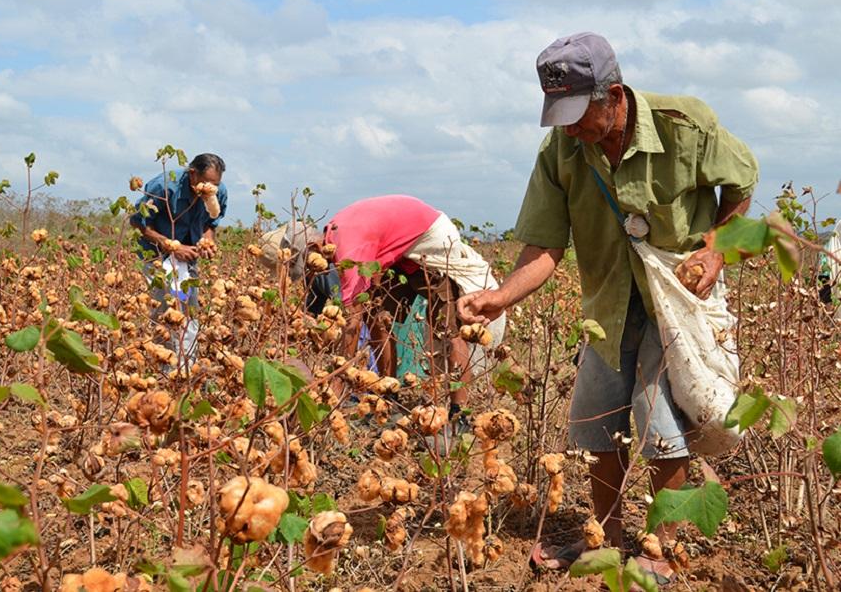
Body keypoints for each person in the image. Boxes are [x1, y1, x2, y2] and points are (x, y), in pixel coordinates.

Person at [457, 32, 758, 583]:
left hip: (676, 298)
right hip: (608, 303)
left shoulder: (684, 125)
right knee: (594, 421)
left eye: (577, 115)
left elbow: (742, 183)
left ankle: (663, 546)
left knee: (657, 416)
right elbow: (545, 246)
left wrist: (715, 250)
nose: (569, 128)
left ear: (613, 95)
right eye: (560, 116)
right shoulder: (560, 151)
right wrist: (499, 297)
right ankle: (606, 538)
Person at [322, 195, 507, 418]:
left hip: (431, 237)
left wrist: (337, 384)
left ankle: (460, 414)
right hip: (401, 249)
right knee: (378, 317)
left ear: (315, 248)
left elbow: (353, 320)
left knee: (447, 328)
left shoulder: (348, 250)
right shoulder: (331, 232)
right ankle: (388, 398)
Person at [129, 152, 228, 366]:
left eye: (215, 184)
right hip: (156, 256)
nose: (210, 188)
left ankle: (186, 368)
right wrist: (171, 246)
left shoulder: (219, 191)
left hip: (188, 258)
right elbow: (139, 222)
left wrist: (207, 240)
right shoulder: (165, 187)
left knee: (189, 309)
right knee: (165, 312)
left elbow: (211, 224)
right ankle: (165, 367)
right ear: (192, 174)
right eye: (206, 183)